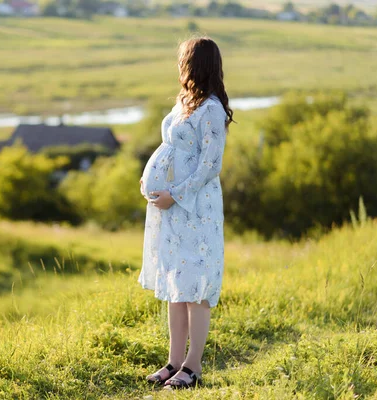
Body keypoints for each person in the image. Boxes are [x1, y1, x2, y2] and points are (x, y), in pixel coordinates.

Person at [138, 36, 234, 390]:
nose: (180, 65)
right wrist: (151, 177)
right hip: (174, 209)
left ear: (195, 63)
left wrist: (174, 194)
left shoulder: (210, 108)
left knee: (196, 289)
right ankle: (173, 361)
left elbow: (210, 165)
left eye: (184, 59)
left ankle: (192, 367)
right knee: (176, 286)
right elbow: (170, 148)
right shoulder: (185, 103)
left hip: (196, 209)